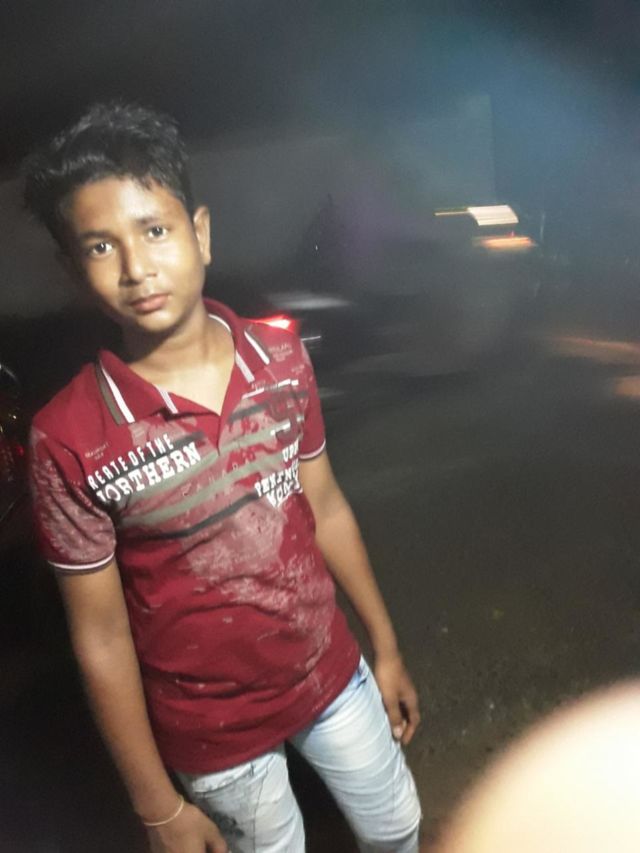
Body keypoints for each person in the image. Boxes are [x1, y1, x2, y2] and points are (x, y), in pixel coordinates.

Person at [24, 102, 422, 853]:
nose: (137, 268)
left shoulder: (281, 360)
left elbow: (326, 505)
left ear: (200, 233)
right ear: (75, 272)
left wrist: (387, 644)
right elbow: (101, 635)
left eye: (155, 230)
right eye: (101, 246)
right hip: (212, 736)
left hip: (331, 673)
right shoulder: (69, 438)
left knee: (397, 827)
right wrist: (157, 807)